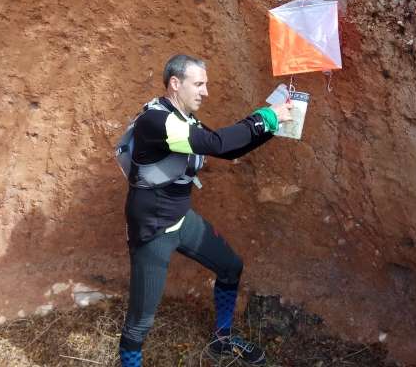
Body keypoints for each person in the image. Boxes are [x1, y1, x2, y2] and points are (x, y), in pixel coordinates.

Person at [118, 54, 293, 367]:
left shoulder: (185, 119)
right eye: (198, 84)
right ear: (175, 83)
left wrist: (272, 125)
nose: (205, 91)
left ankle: (222, 342)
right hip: (153, 231)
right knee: (141, 320)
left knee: (230, 267)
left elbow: (228, 148)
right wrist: (265, 117)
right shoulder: (156, 121)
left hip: (181, 220)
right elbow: (215, 143)